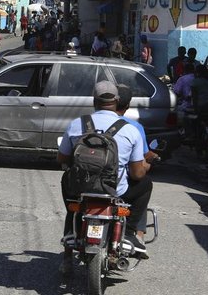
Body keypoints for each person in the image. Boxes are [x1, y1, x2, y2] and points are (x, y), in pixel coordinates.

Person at [58, 81, 152, 275]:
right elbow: (137, 173)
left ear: (94, 101)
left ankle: (68, 253)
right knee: (145, 184)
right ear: (117, 101)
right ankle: (130, 232)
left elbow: (62, 158)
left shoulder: (77, 124)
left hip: (80, 189)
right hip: (115, 189)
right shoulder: (130, 129)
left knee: (72, 203)